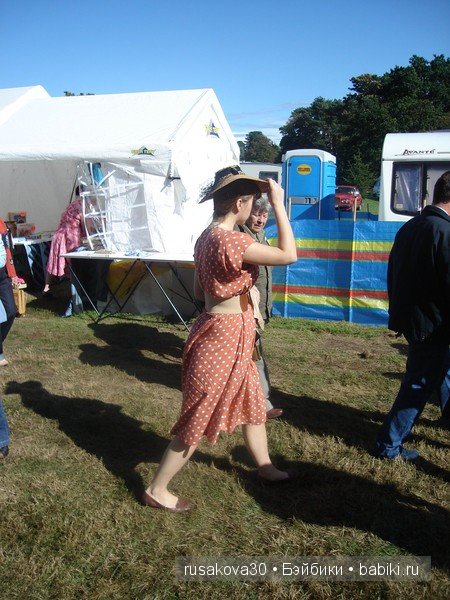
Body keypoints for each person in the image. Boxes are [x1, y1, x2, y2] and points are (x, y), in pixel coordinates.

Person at [142, 165, 297, 512]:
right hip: (224, 335)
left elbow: (200, 291)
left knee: (252, 398)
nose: (254, 209)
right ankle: (157, 488)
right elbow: (288, 255)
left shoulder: (206, 237)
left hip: (224, 329)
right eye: (252, 202)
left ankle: (265, 466)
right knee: (199, 412)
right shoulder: (233, 240)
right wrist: (279, 204)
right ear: (239, 204)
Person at [374, 171, 450, 461]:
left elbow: (394, 273)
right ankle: (388, 445)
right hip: (433, 324)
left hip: (414, 319)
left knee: (442, 371)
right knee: (418, 385)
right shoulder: (443, 231)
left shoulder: (411, 226)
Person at [238, 196, 283, 419]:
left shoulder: (262, 237)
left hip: (260, 309)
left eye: (264, 215)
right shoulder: (240, 237)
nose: (260, 219)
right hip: (245, 309)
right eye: (256, 214)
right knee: (253, 355)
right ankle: (262, 402)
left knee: (248, 355)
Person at [43, 186, 84, 297]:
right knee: (73, 262)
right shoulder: (81, 206)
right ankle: (74, 291)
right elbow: (84, 224)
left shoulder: (72, 205)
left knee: (54, 261)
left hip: (59, 234)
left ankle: (46, 287)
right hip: (70, 236)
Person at [0, 218, 21, 367]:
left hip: (3, 276)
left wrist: (12, 274)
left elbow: (7, 249)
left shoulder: (0, 223)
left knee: (11, 312)